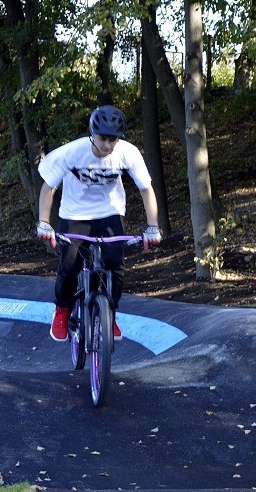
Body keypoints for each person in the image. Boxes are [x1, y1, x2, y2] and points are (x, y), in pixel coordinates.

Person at [35, 105, 162, 342]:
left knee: (115, 265)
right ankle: (62, 310)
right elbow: (48, 188)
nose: (108, 145)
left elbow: (146, 189)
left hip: (109, 213)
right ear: (92, 134)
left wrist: (152, 226)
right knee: (70, 264)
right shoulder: (72, 153)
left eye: (113, 139)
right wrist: (44, 222)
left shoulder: (128, 153)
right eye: (103, 138)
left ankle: (109, 315)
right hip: (75, 214)